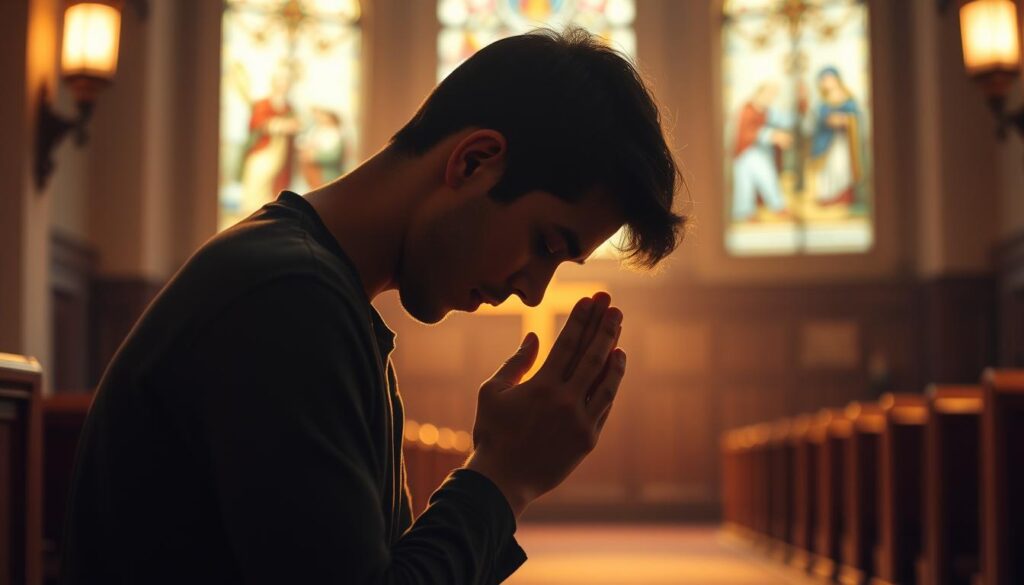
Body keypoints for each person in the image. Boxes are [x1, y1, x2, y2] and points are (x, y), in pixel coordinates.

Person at [60, 28, 684, 585]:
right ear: (473, 162)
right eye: (545, 244)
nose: (532, 290)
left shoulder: (318, 291)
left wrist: (500, 475)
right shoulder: (289, 300)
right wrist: (503, 476)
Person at [730, 82, 794, 222]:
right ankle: (776, 206)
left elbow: (785, 121)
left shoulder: (767, 111)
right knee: (761, 176)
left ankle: (745, 211)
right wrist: (773, 136)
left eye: (773, 96)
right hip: (746, 152)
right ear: (759, 93)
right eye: (768, 94)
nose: (770, 98)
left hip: (755, 152)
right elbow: (747, 132)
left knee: (747, 182)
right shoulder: (747, 110)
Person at [801, 66, 863, 207]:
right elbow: (812, 123)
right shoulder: (820, 102)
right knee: (827, 171)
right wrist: (826, 120)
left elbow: (857, 118)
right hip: (824, 141)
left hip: (842, 142)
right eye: (823, 80)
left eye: (829, 79)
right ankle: (827, 198)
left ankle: (842, 198)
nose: (826, 83)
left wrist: (846, 120)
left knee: (840, 167)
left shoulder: (848, 99)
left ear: (836, 80)